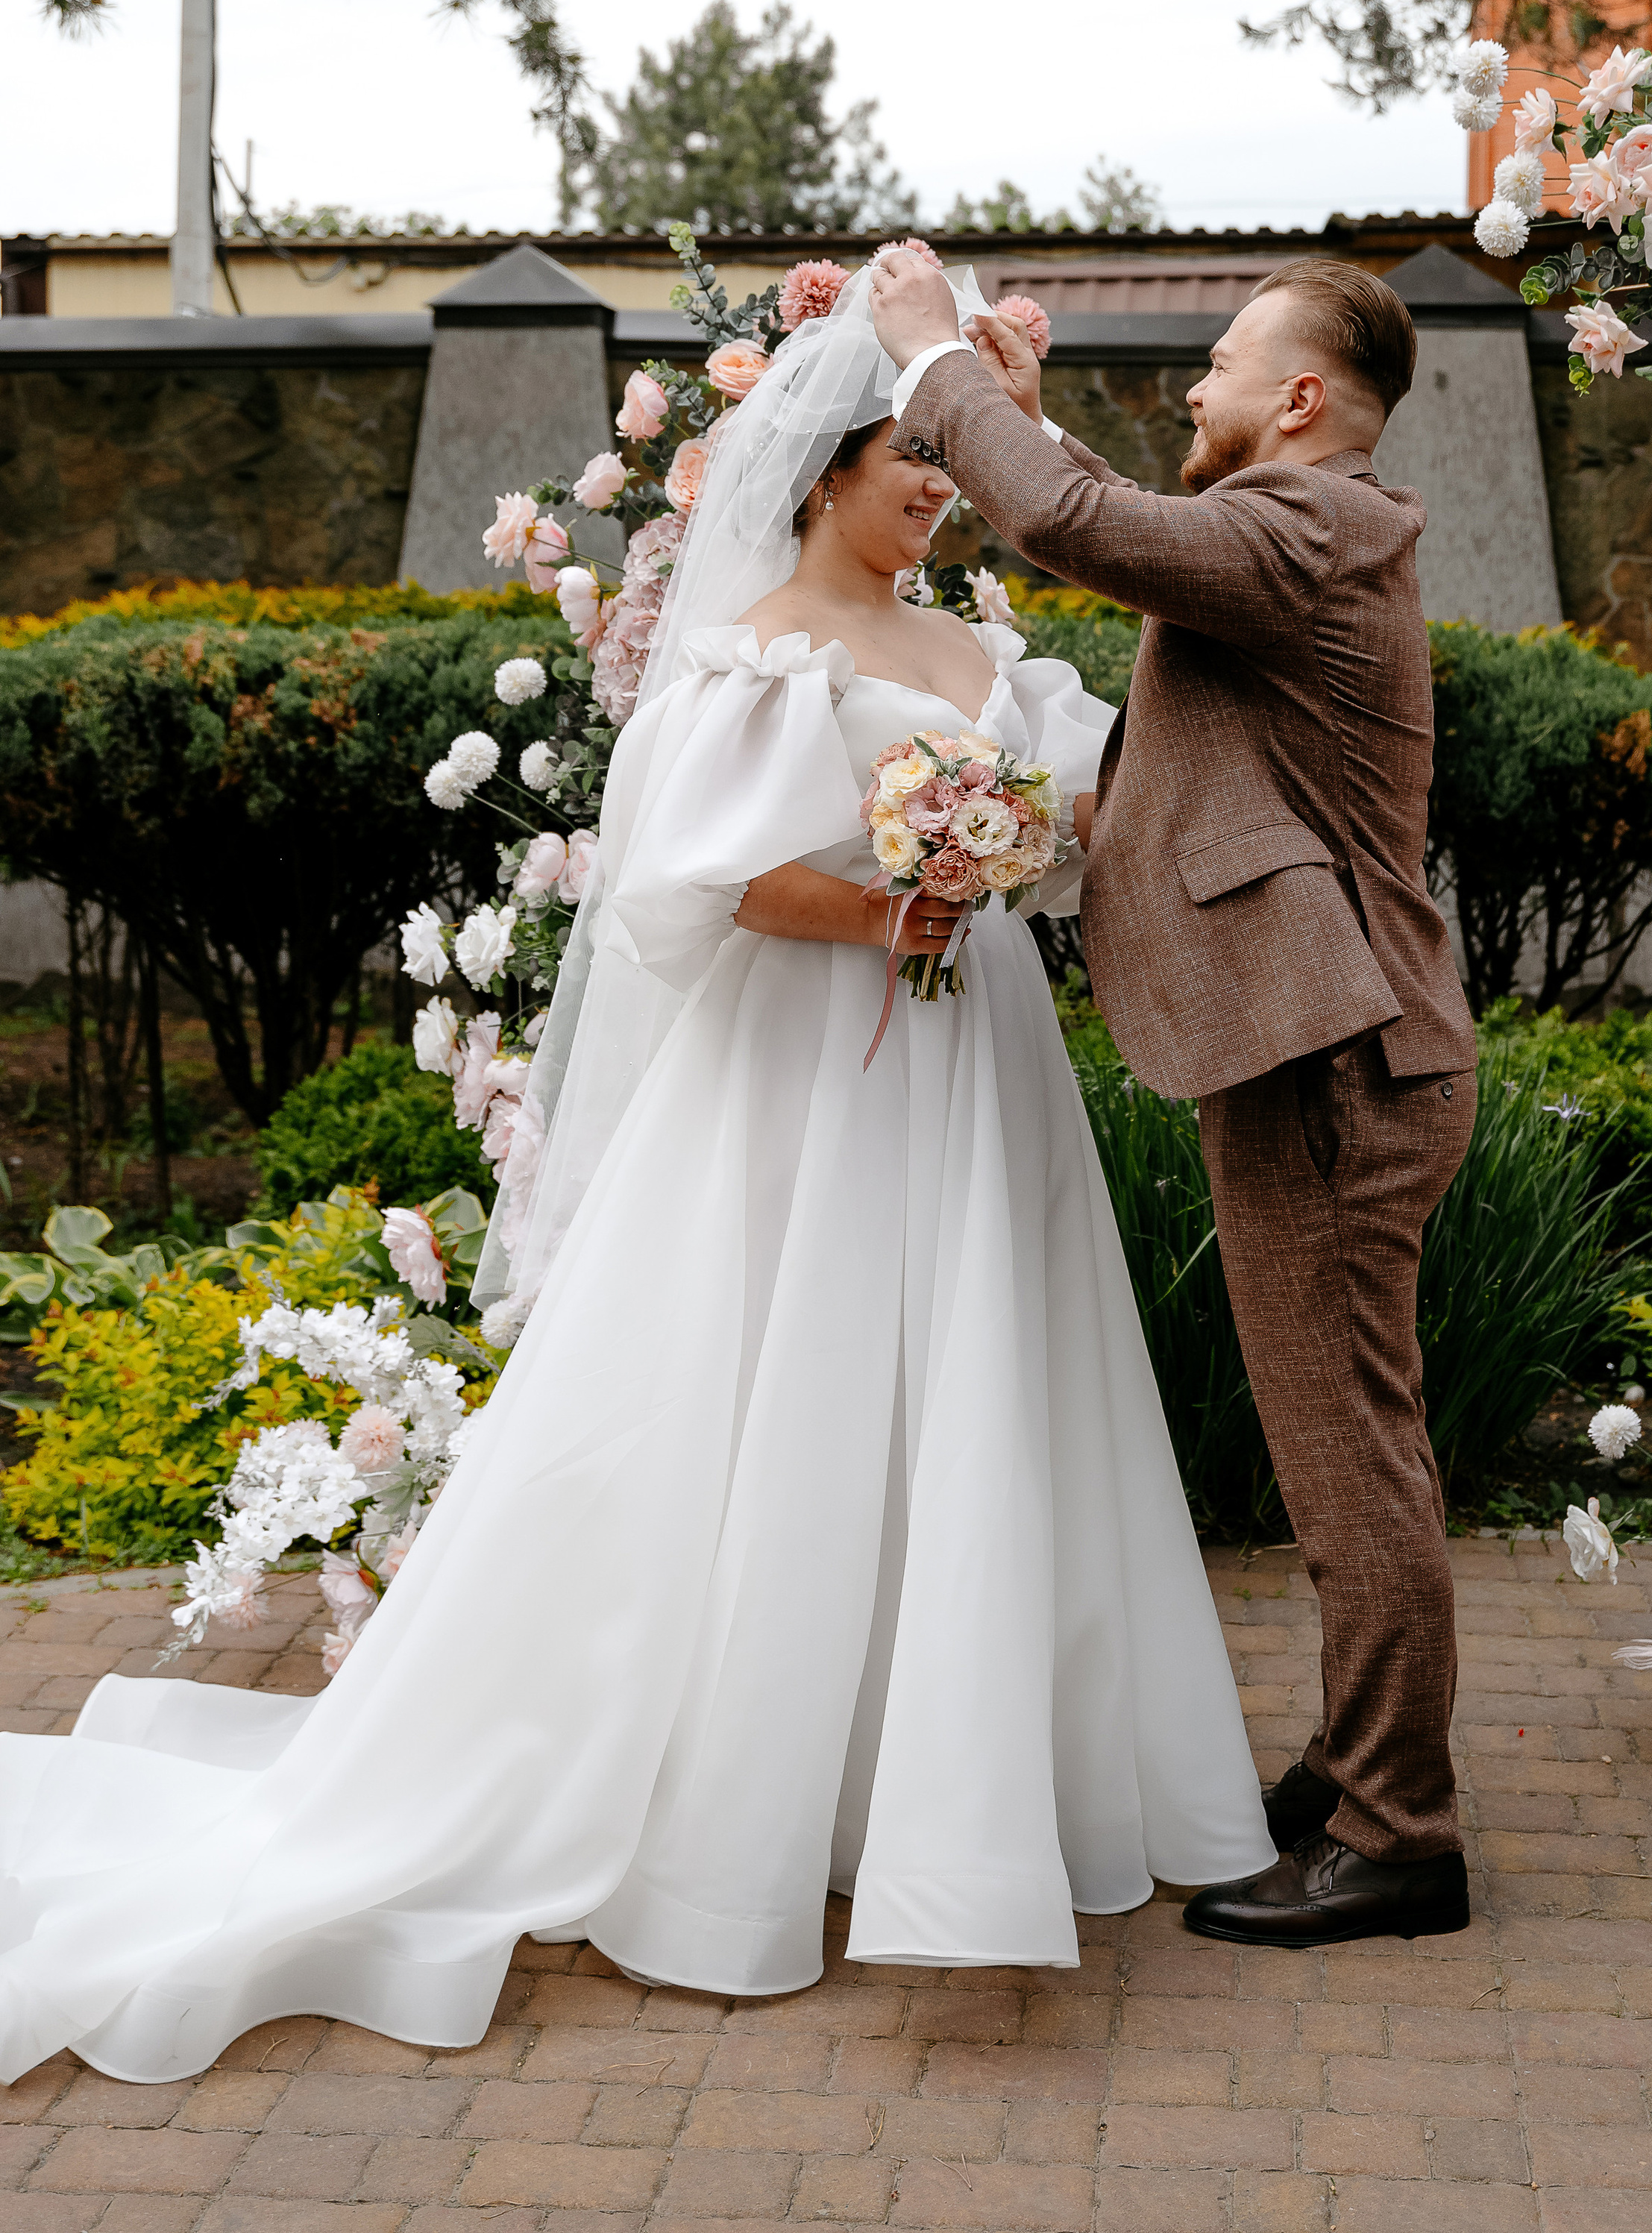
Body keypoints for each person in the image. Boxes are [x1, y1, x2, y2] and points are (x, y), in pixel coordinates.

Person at [0, 271, 1269, 2088]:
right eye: (906, 459)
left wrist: (1010, 858)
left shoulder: (987, 663)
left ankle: (941, 1793)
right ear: (818, 473)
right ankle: (734, 1815)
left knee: (978, 1395)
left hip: (968, 1067)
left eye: (942, 458)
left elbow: (1065, 845)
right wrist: (896, 897)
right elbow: (705, 882)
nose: (932, 486)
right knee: (785, 1397)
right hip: (805, 1084)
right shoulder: (762, 649)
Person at [869, 247, 1478, 1951]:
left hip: (1333, 1064)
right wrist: (1024, 425)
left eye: (1217, 363)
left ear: (1297, 400)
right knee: (1345, 1449)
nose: (1193, 389)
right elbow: (1120, 527)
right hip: (1319, 1048)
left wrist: (936, 371)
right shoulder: (1285, 541)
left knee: (1347, 1464)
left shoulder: (1314, 526)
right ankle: (1358, 1765)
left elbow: (1094, 529)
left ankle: (1396, 1836)